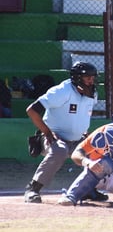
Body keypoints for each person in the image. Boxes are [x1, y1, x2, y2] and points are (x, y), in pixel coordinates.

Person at [24, 61, 106, 203]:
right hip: (53, 137)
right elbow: (31, 110)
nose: (91, 81)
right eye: (88, 77)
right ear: (77, 78)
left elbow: (83, 115)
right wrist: (47, 132)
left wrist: (85, 134)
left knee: (99, 151)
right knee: (59, 151)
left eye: (93, 77)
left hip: (77, 139)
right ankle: (32, 189)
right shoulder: (62, 91)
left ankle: (88, 189)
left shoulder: (92, 93)